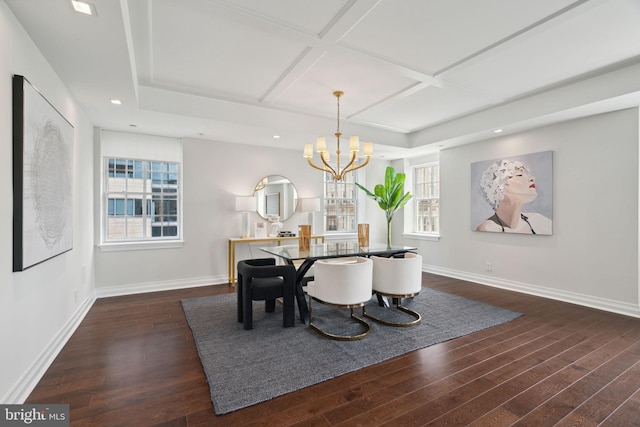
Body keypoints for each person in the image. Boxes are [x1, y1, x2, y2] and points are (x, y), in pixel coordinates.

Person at [476, 159, 551, 234]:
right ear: (497, 187)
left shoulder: (540, 222)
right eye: (519, 175)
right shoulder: (487, 228)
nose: (532, 178)